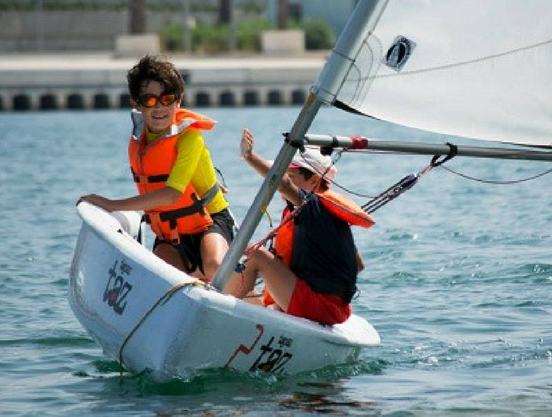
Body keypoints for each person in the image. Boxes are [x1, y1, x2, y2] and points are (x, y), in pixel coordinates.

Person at [78, 55, 234, 281]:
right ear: (136, 102)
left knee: (214, 266)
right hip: (169, 233)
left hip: (211, 221)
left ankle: (250, 302)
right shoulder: (139, 140)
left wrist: (112, 205)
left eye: (167, 99)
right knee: (162, 280)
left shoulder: (190, 137)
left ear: (178, 101)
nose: (159, 108)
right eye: (150, 101)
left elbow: (172, 195)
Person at [224, 128, 374, 325]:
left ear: (313, 180)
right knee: (253, 275)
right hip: (336, 308)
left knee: (257, 255)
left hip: (319, 306)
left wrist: (249, 157)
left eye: (291, 175)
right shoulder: (327, 212)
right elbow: (359, 265)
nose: (286, 182)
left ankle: (218, 305)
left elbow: (283, 185)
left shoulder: (312, 206)